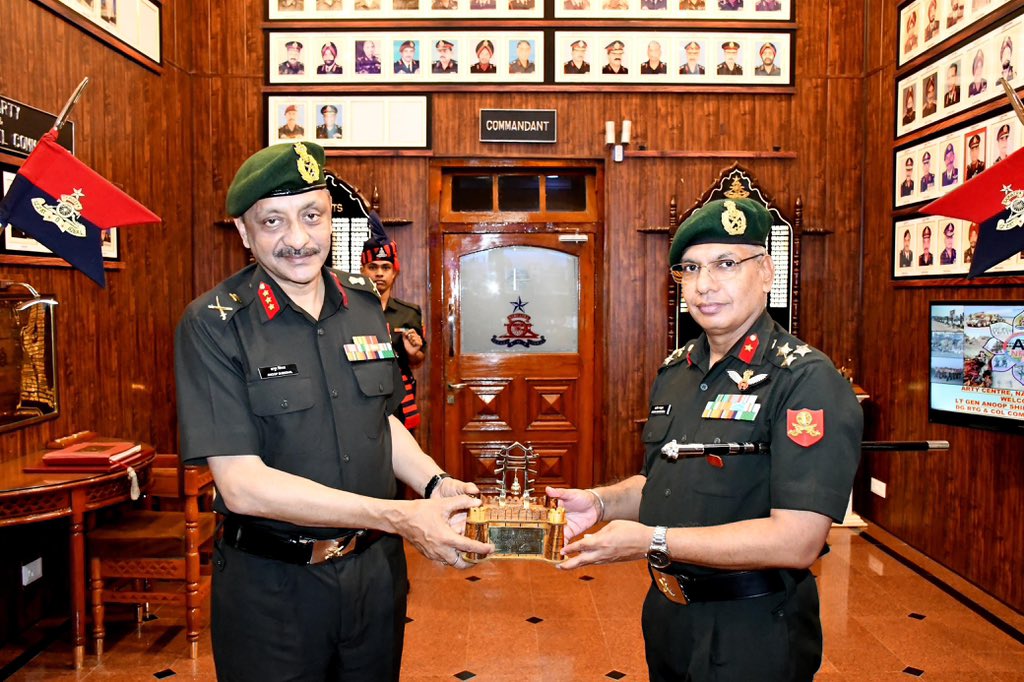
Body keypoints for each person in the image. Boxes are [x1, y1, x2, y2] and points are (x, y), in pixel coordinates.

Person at [175, 141, 492, 681]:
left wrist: (436, 484)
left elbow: (384, 421)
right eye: (272, 221)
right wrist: (398, 515)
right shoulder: (213, 324)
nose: (297, 239)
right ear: (244, 234)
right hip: (273, 590)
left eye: (311, 216)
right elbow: (242, 486)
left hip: (374, 578)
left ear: (330, 220)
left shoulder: (364, 303)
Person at [548, 198, 862, 682]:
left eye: (726, 264)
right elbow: (664, 480)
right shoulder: (678, 371)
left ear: (767, 272)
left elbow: (798, 540)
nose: (704, 285)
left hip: (753, 629)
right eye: (690, 268)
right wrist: (600, 503)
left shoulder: (803, 379)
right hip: (670, 617)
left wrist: (653, 540)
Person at [360, 219, 425, 430]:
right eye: (373, 267)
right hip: (361, 396)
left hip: (399, 398)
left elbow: (418, 357)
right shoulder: (348, 312)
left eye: (386, 267)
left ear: (394, 272)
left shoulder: (409, 313)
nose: (379, 273)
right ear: (363, 270)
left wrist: (413, 352)